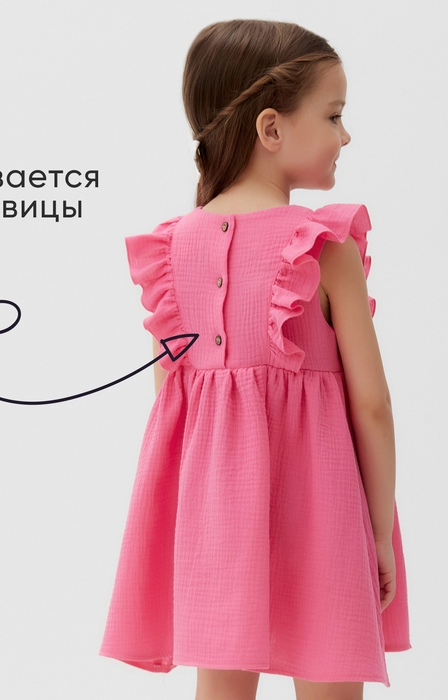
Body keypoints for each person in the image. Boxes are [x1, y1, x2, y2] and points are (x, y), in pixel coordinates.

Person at [100, 19, 411, 700]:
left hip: (215, 514)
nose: (345, 136)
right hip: (326, 511)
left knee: (221, 686)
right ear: (271, 128)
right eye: (333, 116)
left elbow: (171, 404)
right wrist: (380, 533)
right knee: (330, 677)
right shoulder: (325, 246)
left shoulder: (170, 251)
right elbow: (373, 405)